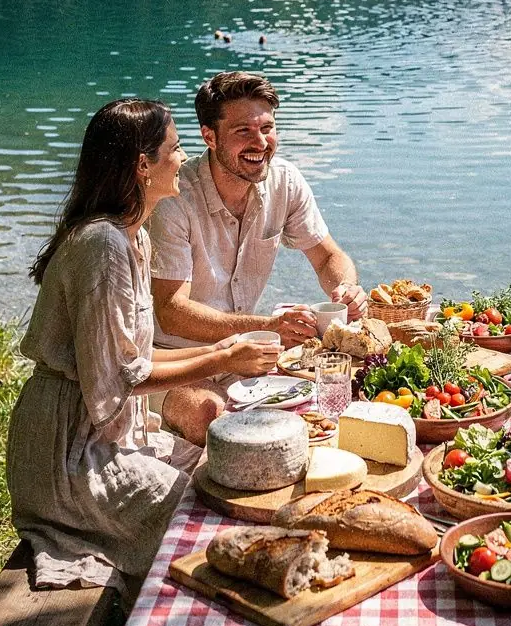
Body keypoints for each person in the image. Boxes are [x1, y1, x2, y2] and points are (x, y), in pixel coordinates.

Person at [6, 98, 330, 626]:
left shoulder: (129, 236)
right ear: (140, 165)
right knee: (213, 547)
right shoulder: (101, 247)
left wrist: (227, 356)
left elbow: (128, 360)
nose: (183, 158)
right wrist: (226, 354)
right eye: (174, 149)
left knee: (222, 488)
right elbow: (114, 378)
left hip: (103, 431)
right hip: (71, 457)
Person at [149, 72, 367, 445]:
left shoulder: (285, 180)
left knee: (342, 398)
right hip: (174, 360)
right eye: (243, 132)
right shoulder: (174, 197)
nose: (261, 143)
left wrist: (345, 289)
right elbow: (170, 310)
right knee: (210, 419)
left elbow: (328, 255)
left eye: (267, 128)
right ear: (209, 136)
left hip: (246, 354)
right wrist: (267, 325)